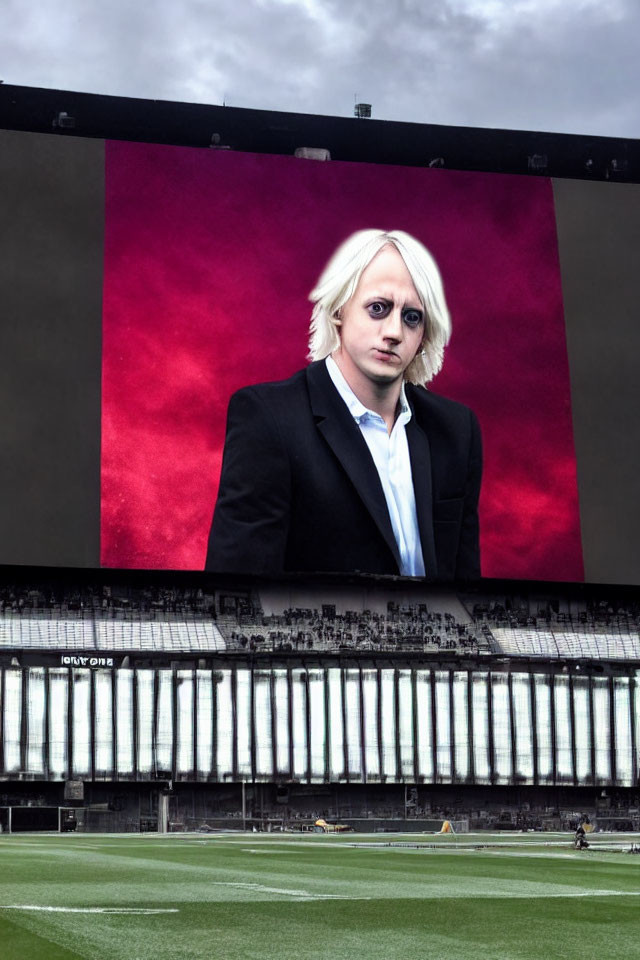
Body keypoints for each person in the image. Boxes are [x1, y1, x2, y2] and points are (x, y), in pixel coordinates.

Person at [206, 229, 482, 579]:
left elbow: (469, 590)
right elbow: (236, 590)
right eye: (378, 308)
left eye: (412, 316)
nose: (394, 331)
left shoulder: (457, 430)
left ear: (425, 333)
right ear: (339, 309)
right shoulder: (269, 419)